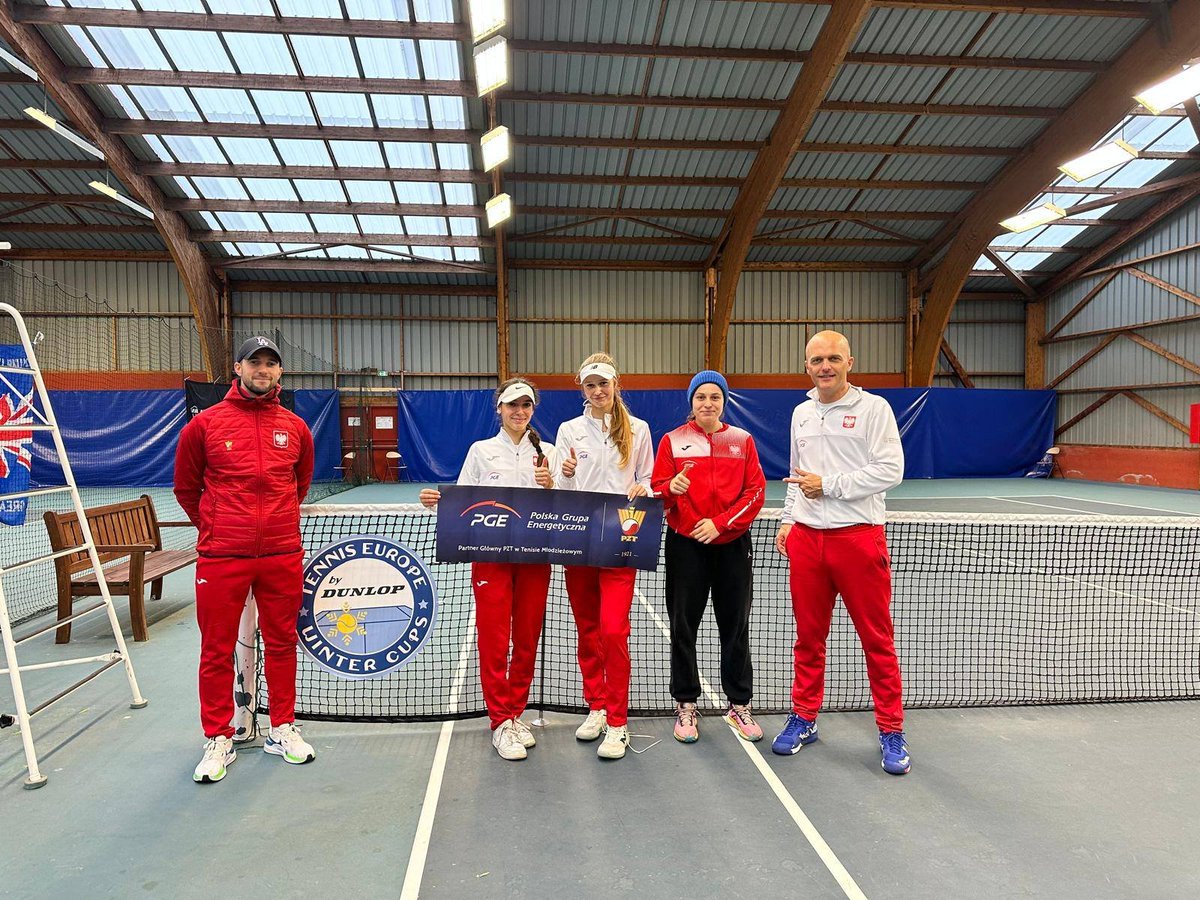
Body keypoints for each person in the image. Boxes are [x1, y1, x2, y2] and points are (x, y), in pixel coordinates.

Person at [174, 336, 316, 784]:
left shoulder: (295, 428)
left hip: (281, 556)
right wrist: (219, 528)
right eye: (255, 362)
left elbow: (300, 486)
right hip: (222, 557)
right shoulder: (204, 425)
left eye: (271, 363)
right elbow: (185, 488)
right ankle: (218, 737)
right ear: (237, 368)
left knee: (282, 643)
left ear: (280, 373)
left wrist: (272, 528)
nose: (263, 369)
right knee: (215, 649)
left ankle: (283, 728)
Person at [772, 330, 909, 775]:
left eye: (833, 358)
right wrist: (789, 519)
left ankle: (891, 730)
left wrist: (829, 486)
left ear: (850, 360)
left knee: (877, 641)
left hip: (858, 540)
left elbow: (891, 469)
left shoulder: (874, 409)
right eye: (816, 360)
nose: (825, 366)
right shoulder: (800, 413)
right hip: (808, 543)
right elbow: (798, 474)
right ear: (806, 366)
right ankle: (805, 717)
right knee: (808, 639)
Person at [419, 378, 557, 761]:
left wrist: (553, 484)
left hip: (534, 558)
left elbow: (561, 508)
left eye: (526, 405)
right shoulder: (481, 451)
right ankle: (500, 722)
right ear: (499, 409)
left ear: (533, 409)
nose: (519, 412)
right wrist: (438, 500)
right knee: (495, 639)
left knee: (527, 637)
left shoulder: (548, 451)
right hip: (491, 559)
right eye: (512, 405)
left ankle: (515, 713)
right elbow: (464, 499)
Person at [650, 370, 766, 744]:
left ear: (724, 402)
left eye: (715, 397)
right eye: (701, 397)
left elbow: (755, 493)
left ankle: (739, 704)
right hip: (686, 546)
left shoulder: (742, 440)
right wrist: (671, 487)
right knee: (683, 627)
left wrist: (719, 524)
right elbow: (657, 492)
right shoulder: (672, 441)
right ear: (691, 402)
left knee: (735, 627)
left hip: (732, 545)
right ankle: (686, 704)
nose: (708, 403)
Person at [555, 353, 654, 761]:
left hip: (620, 538)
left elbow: (646, 477)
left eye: (604, 384)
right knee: (587, 629)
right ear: (583, 389)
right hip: (578, 538)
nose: (598, 391)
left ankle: (618, 721)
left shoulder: (639, 429)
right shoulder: (568, 430)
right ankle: (595, 704)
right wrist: (565, 470)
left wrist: (644, 489)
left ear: (616, 385)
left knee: (613, 631)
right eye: (591, 385)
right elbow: (561, 484)